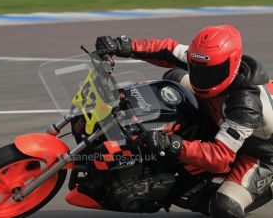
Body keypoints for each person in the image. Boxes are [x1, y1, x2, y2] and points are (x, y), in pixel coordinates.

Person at [95, 25, 273, 218]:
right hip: (219, 116)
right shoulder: (207, 58)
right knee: (174, 78)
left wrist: (173, 144)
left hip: (259, 154)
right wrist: (123, 45)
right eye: (196, 68)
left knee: (222, 206)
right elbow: (167, 49)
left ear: (232, 64)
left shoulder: (245, 104)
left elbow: (221, 158)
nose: (202, 77)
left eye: (211, 72)